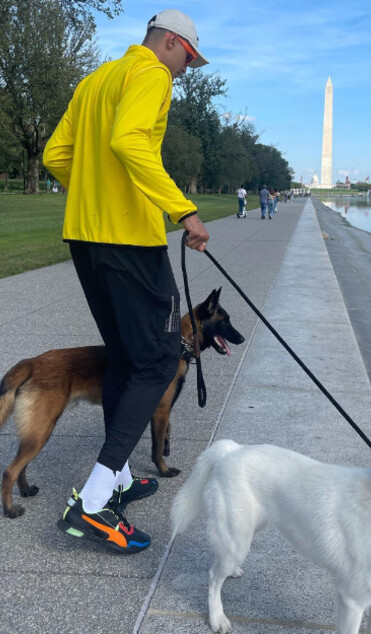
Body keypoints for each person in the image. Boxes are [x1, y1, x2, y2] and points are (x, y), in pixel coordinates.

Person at [42, 8, 210, 554]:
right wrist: (183, 211)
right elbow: (130, 141)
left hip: (85, 238)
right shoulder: (151, 75)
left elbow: (55, 155)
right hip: (129, 242)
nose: (187, 70)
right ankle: (92, 501)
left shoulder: (94, 80)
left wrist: (95, 188)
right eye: (189, 57)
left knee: (124, 358)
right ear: (168, 43)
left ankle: (115, 479)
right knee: (160, 360)